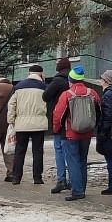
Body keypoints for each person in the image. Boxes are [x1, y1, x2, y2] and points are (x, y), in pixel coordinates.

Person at [52, 65, 102, 201]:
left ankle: (77, 191)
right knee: (82, 161)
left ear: (71, 80)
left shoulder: (67, 94)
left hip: (70, 134)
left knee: (73, 162)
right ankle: (82, 187)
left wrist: (56, 130)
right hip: (87, 133)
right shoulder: (92, 93)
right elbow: (99, 111)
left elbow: (58, 115)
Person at [8, 65, 49, 185]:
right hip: (39, 124)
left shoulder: (18, 86)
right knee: (37, 151)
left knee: (20, 151)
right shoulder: (44, 87)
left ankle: (16, 177)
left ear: (29, 73)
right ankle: (37, 178)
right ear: (41, 74)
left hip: (21, 124)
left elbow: (11, 105)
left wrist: (11, 121)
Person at [43, 57, 74, 193]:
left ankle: (61, 180)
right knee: (73, 152)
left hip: (60, 121)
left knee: (60, 150)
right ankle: (74, 180)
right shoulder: (74, 81)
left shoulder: (57, 81)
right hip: (75, 120)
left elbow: (46, 96)